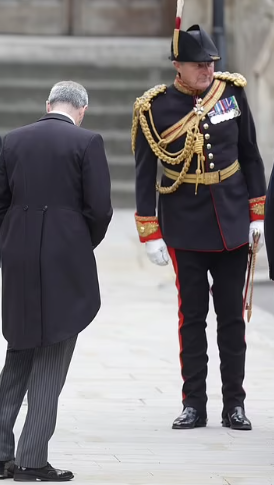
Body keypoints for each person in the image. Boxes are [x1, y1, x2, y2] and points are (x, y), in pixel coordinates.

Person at [132, 12, 266, 431]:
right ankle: (194, 404)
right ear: (178, 66)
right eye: (199, 64)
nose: (208, 69)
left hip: (229, 219)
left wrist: (256, 214)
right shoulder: (154, 107)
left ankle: (235, 404)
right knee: (191, 318)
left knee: (231, 318)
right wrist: (149, 231)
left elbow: (251, 156)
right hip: (184, 223)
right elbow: (143, 173)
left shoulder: (232, 93)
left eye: (211, 62)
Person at [0, 81, 112, 481]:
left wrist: (15, 241)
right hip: (63, 257)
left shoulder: (13, 140)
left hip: (20, 256)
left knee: (19, 350)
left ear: (48, 105)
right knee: (53, 353)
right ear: (82, 109)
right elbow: (100, 209)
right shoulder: (87, 141)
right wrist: (75, 241)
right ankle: (33, 459)